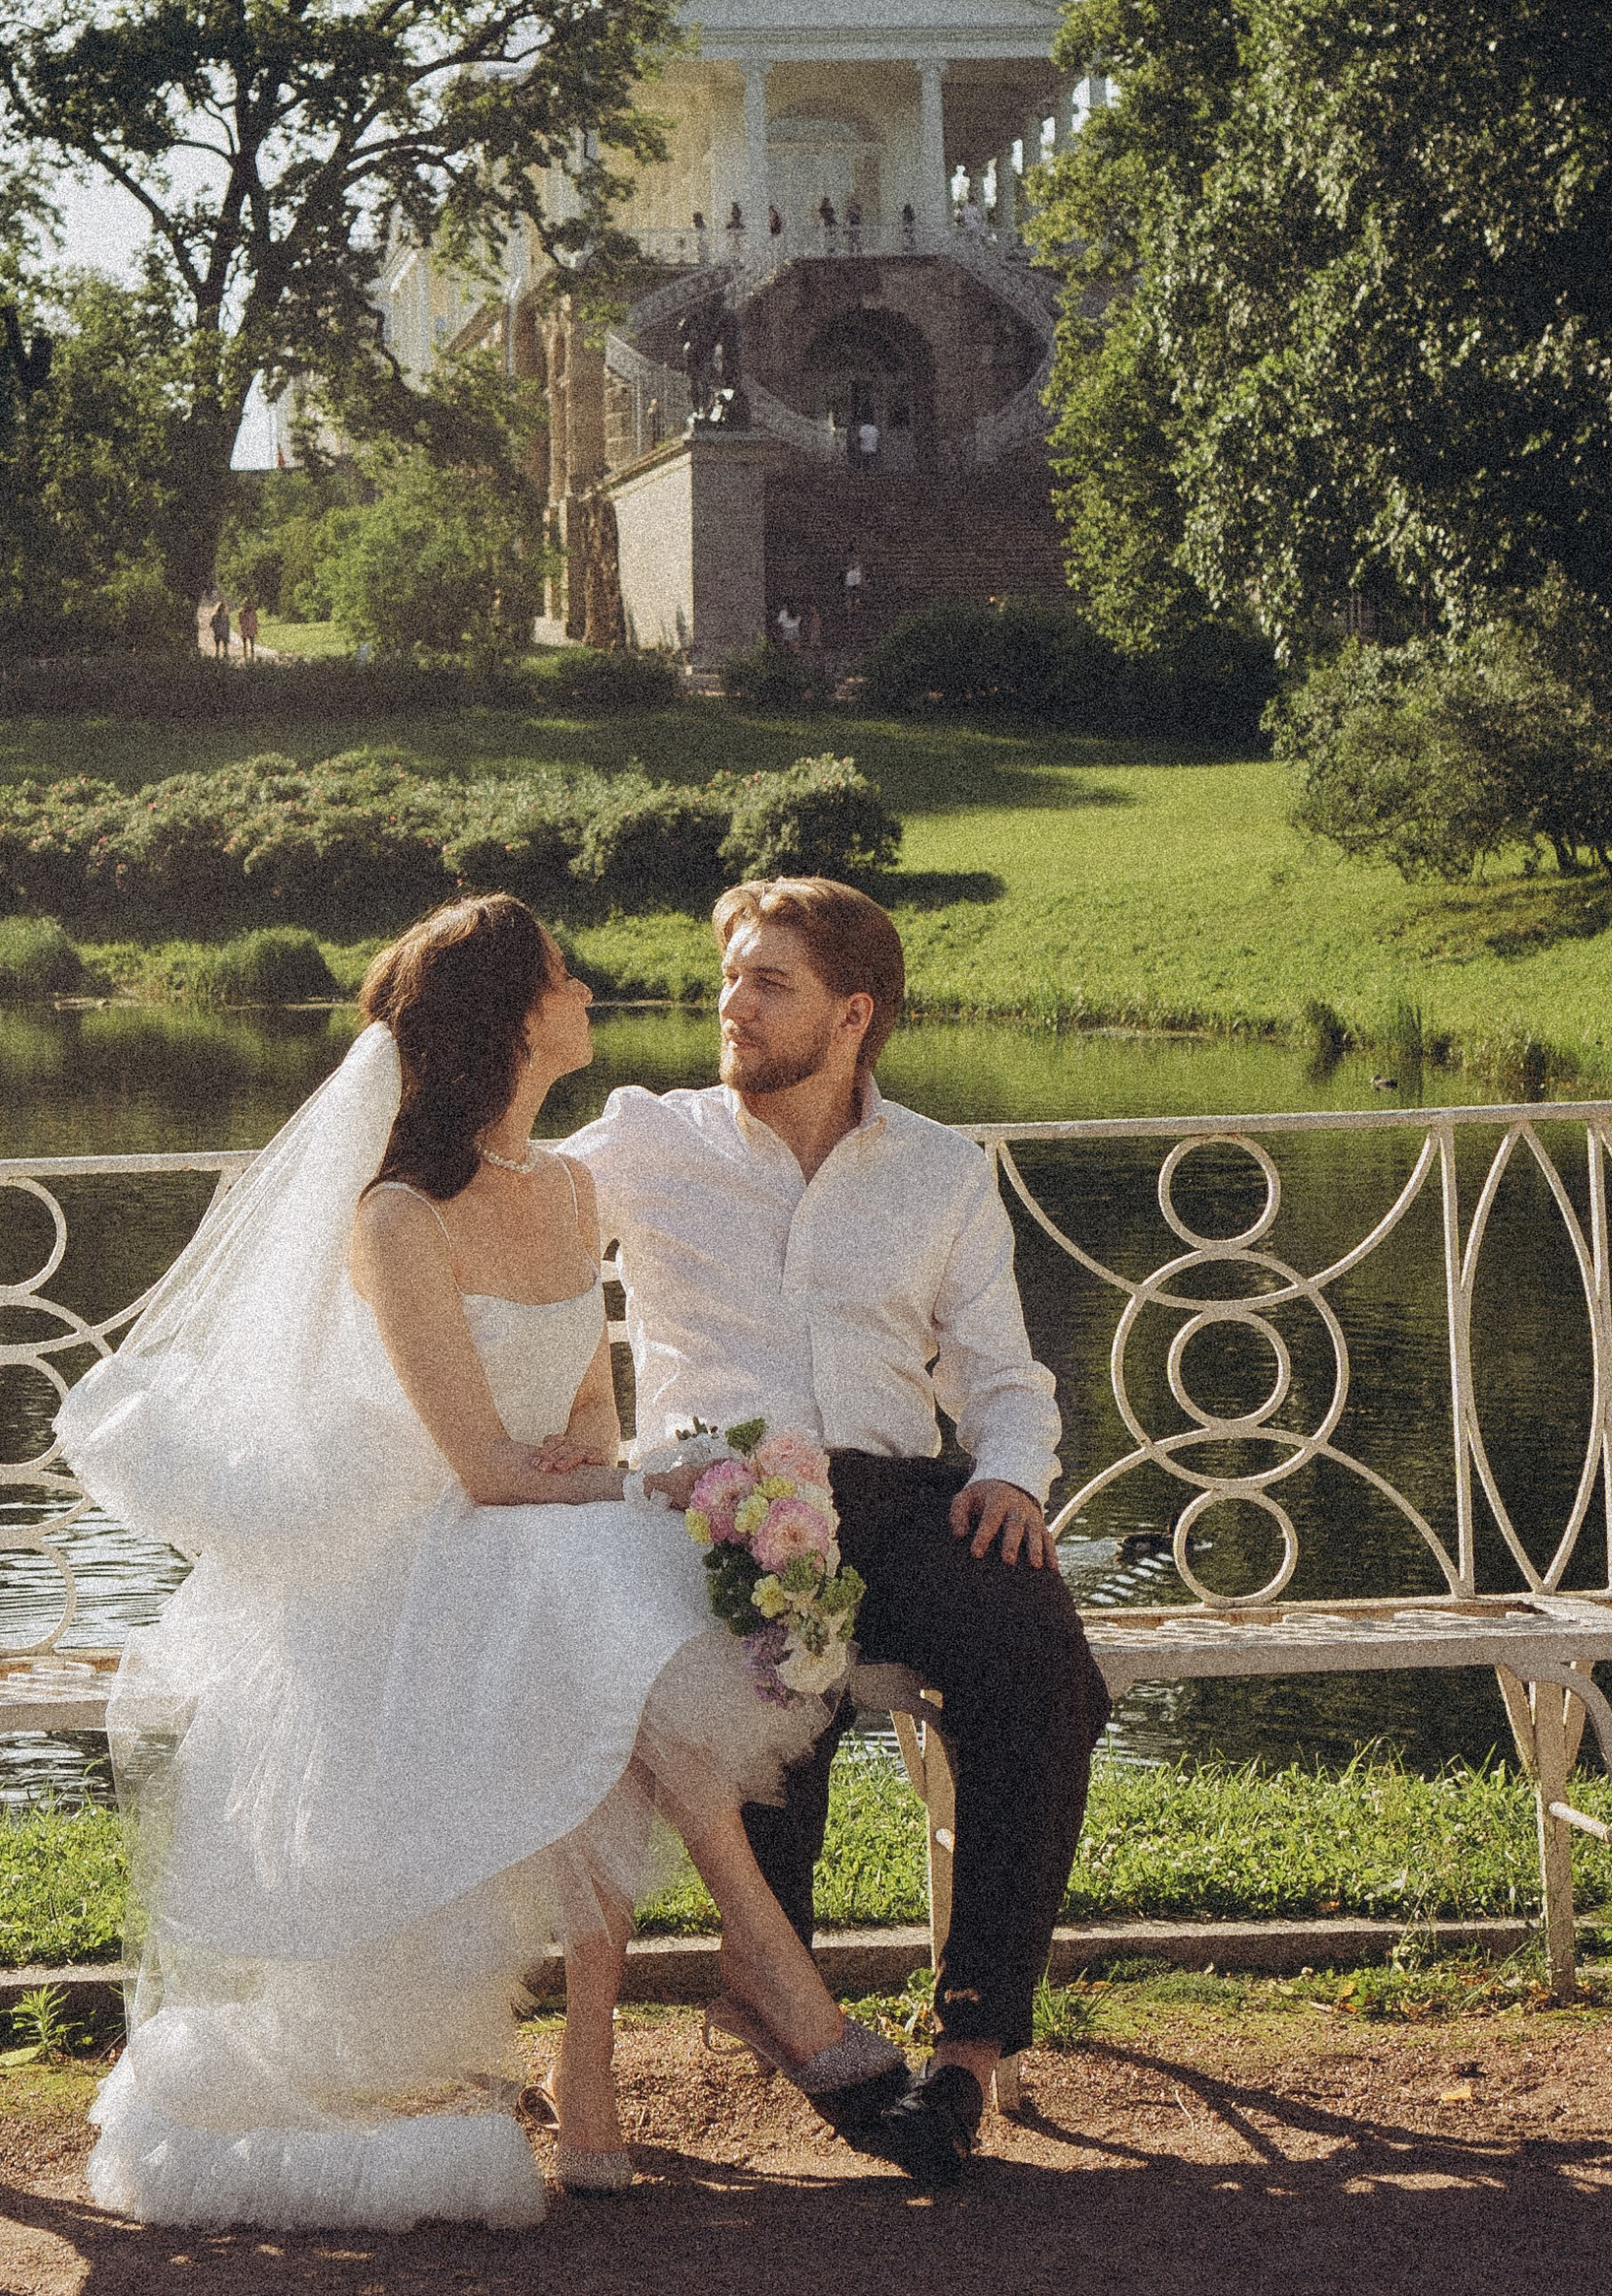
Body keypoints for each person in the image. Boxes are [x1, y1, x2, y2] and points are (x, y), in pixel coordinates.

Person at [56, 895, 953, 2229]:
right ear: (515, 1024)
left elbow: (586, 1421)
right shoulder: (396, 1216)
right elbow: (479, 1466)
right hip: (409, 1560)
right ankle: (761, 1987)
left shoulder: (573, 1191)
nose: (588, 992)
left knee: (607, 1604)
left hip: (537, 1540)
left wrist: (621, 1478)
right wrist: (637, 1482)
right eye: (563, 978)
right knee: (605, 1608)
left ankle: (610, 2055)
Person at [565, 879, 1112, 2180]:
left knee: (1045, 1673)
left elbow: (1001, 1375)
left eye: (770, 984)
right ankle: (782, 1991)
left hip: (899, 1495)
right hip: (720, 1496)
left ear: (853, 1015)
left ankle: (969, 2046)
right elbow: (504, 1217)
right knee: (779, 1656)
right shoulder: (648, 1139)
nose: (732, 1005)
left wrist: (1014, 1478)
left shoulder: (940, 1170)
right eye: (729, 977)